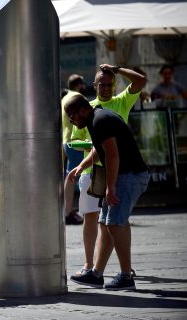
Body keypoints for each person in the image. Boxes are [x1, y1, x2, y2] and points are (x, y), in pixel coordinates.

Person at [66, 95, 150, 290]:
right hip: (125, 175)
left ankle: (126, 276)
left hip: (129, 175)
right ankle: (96, 274)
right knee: (105, 223)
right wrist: (81, 166)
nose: (71, 120)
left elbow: (112, 155)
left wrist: (110, 186)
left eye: (72, 116)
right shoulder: (97, 118)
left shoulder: (99, 120)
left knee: (114, 223)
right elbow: (100, 150)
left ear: (82, 111)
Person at [62, 74, 86, 225]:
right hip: (76, 142)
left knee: (70, 177)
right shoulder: (77, 96)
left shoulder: (65, 98)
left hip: (67, 141)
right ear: (79, 85)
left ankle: (68, 211)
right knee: (79, 176)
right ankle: (68, 212)